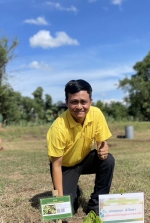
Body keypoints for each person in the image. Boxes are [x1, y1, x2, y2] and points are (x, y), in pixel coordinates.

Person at [47, 79, 115, 214]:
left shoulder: (96, 114)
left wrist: (104, 147)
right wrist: (60, 203)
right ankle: (74, 191)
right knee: (67, 212)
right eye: (74, 102)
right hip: (64, 166)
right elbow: (56, 165)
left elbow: (102, 141)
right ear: (67, 103)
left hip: (85, 159)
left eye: (83, 102)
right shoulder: (58, 127)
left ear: (90, 101)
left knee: (108, 160)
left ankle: (97, 204)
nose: (79, 106)